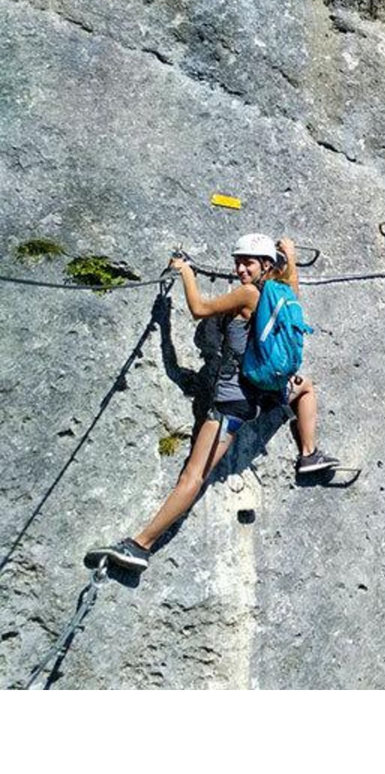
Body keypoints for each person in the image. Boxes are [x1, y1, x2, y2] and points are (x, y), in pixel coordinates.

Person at [87, 233, 338, 572]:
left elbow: (199, 310)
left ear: (265, 265)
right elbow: (293, 283)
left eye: (247, 262)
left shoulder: (249, 295)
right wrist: (290, 257)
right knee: (305, 387)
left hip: (231, 406)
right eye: (238, 261)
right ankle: (308, 454)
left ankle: (140, 546)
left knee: (193, 475)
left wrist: (185, 271)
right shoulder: (279, 294)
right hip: (266, 393)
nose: (239, 268)